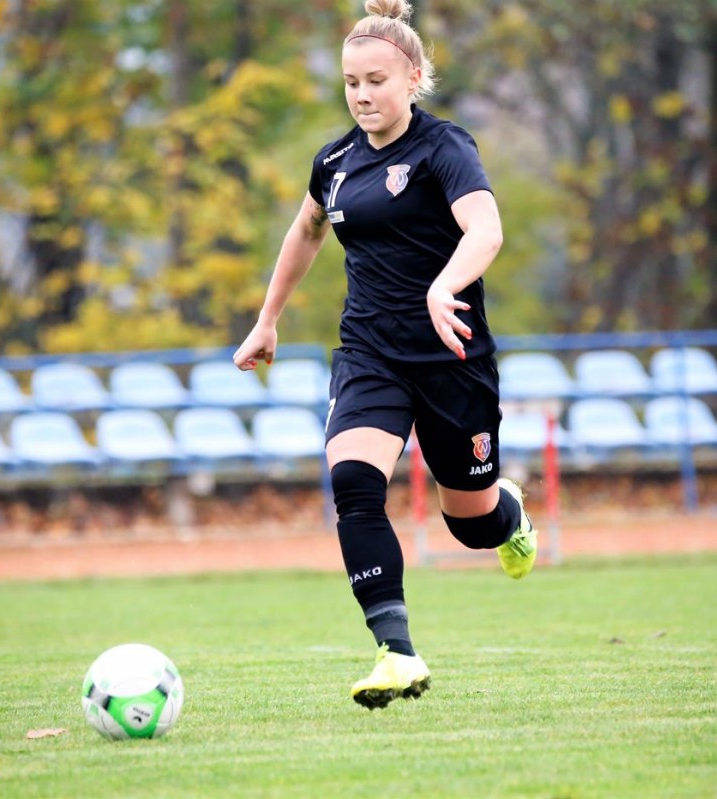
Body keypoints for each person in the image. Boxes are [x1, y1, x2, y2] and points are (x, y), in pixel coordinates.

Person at [233, 0, 535, 710]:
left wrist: (445, 285)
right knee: (353, 483)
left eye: (376, 81)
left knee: (470, 523)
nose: (362, 95)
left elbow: (486, 230)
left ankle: (508, 514)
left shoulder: (444, 148)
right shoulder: (334, 162)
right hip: (369, 353)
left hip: (452, 357)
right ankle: (396, 651)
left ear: (413, 79)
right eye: (351, 82)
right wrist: (267, 319)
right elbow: (306, 230)